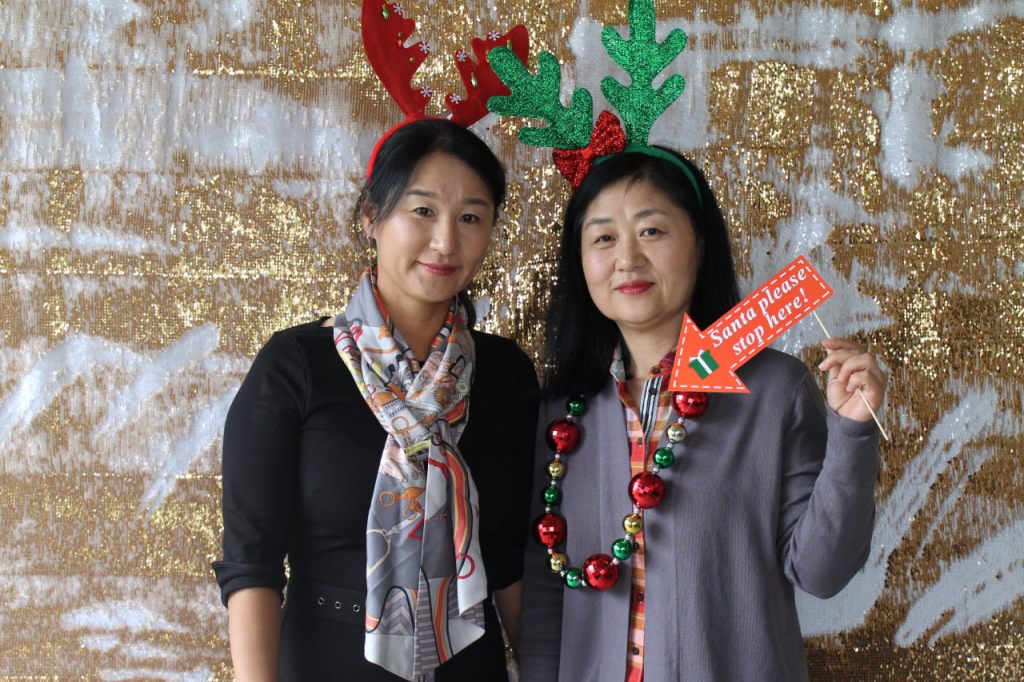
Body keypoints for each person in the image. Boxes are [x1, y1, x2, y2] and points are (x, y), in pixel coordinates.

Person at [516, 149, 885, 681]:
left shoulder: (775, 389)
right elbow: (545, 590)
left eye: (651, 231)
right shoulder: (564, 413)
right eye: (603, 238)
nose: (627, 259)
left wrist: (852, 432)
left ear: (701, 244)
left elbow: (822, 573)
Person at [213, 118, 538, 681]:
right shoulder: (297, 365)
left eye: (470, 217)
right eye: (423, 210)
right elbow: (251, 565)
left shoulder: (505, 374)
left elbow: (509, 560)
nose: (445, 241)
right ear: (371, 216)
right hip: (324, 664)